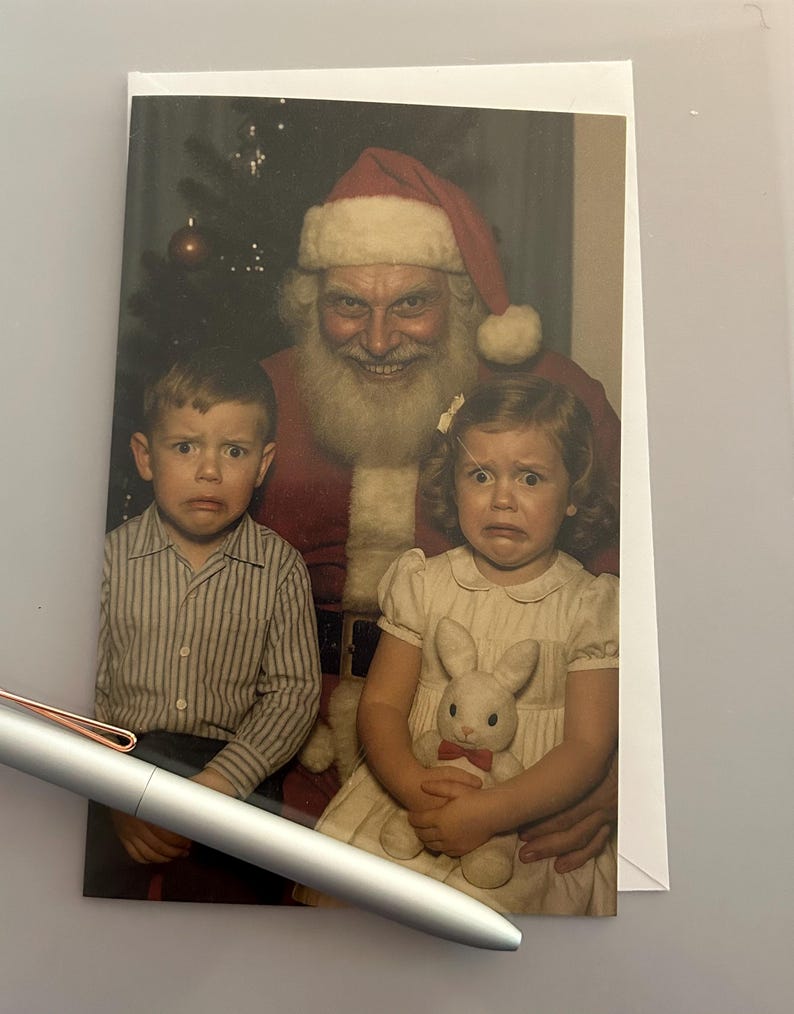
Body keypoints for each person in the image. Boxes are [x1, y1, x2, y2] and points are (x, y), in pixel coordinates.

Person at [255, 147, 619, 868]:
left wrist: (620, 773)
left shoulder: (553, 402)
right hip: (282, 749)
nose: (380, 339)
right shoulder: (259, 399)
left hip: (510, 767)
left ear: (460, 299)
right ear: (311, 305)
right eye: (348, 305)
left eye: (412, 303)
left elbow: (661, 615)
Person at [299, 375, 619, 915]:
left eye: (531, 478)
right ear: (453, 484)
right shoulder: (423, 584)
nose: (502, 499)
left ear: (573, 496)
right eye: (480, 474)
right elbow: (380, 705)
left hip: (524, 815)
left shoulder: (589, 607)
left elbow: (586, 747)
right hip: (411, 800)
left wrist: (490, 813)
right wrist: (412, 786)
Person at [84, 347, 321, 902]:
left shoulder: (280, 567)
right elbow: (81, 692)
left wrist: (221, 785)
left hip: (237, 770)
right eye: (185, 446)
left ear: (262, 465)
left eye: (233, 451)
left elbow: (292, 695)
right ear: (145, 456)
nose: (209, 470)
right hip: (120, 764)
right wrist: (116, 795)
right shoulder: (106, 560)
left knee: (232, 913)